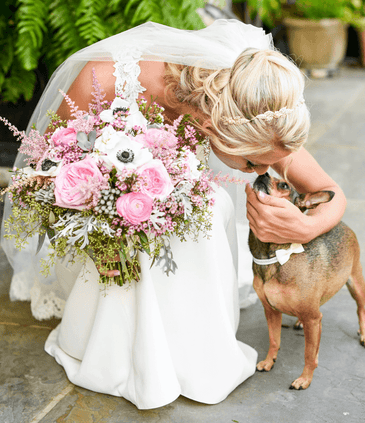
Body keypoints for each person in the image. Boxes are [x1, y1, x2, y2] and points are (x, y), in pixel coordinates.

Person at [0, 20, 346, 409]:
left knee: (210, 203)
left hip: (193, 253)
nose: (261, 173)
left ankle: (196, 348)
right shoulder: (106, 78)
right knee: (190, 208)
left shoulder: (255, 99)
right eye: (251, 163)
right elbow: (42, 177)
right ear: (211, 127)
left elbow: (331, 193)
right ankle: (125, 351)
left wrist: (308, 223)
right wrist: (101, 230)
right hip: (103, 246)